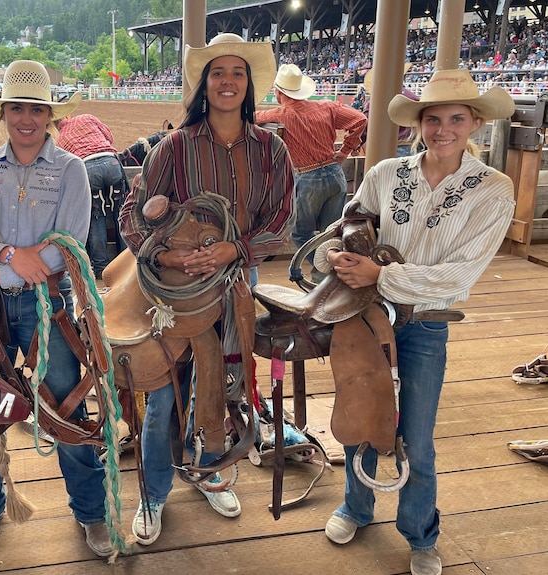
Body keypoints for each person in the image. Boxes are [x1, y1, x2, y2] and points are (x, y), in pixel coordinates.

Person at [320, 68, 516, 575]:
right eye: (433, 118)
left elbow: (461, 273)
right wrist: (336, 258)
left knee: (420, 435)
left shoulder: (492, 189)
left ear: (474, 122)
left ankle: (420, 533)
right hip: (367, 319)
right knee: (362, 416)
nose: (443, 129)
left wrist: (379, 275)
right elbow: (346, 228)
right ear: (419, 123)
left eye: (455, 118)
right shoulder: (386, 173)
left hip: (425, 321)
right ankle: (357, 507)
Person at [119, 33, 294, 545]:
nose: (228, 81)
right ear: (204, 83)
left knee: (223, 380)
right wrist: (166, 254)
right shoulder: (173, 148)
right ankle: (153, 493)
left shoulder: (271, 149)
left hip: (237, 280)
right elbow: (134, 213)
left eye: (237, 72)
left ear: (249, 83)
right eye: (218, 72)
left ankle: (208, 467)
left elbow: (282, 217)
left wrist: (233, 250)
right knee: (163, 390)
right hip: (176, 289)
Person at [0, 60, 113, 558]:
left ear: (49, 116)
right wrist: (7, 256)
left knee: (65, 406)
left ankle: (91, 514)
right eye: (17, 108)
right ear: (4, 112)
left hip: (48, 307)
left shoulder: (71, 170)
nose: (26, 118)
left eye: (35, 109)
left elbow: (68, 245)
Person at [254, 63, 366, 253]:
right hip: (334, 172)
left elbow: (252, 117)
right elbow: (360, 119)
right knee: (330, 233)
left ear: (279, 92)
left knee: (300, 233)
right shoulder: (327, 107)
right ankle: (327, 272)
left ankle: (321, 267)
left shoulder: (280, 115)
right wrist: (343, 152)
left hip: (307, 178)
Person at [56, 113, 128, 278]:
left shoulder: (59, 140)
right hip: (111, 162)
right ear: (68, 116)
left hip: (87, 168)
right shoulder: (86, 118)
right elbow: (109, 137)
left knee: (97, 217)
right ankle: (126, 262)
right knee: (121, 213)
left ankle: (101, 267)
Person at [362, 64, 420, 157]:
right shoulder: (411, 97)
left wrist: (362, 142)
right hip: (409, 145)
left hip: (383, 147)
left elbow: (365, 125)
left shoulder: (374, 101)